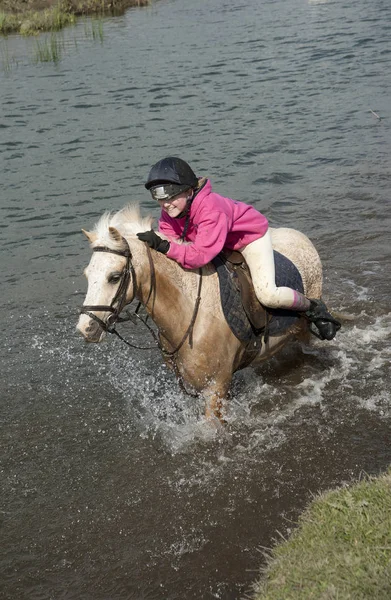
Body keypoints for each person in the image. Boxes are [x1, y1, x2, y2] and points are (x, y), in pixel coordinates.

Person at [137, 157, 340, 340]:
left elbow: (199, 255)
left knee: (268, 294)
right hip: (217, 243)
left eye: (170, 197)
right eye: (160, 199)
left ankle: (313, 308)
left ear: (189, 191)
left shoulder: (210, 208)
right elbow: (175, 244)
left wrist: (164, 246)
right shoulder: (170, 212)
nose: (165, 204)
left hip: (247, 240)